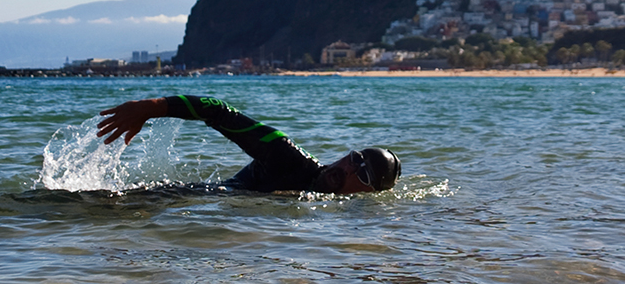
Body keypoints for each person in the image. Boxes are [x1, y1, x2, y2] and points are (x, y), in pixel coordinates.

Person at [96, 95, 401, 194]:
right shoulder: (288, 157)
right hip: (187, 201)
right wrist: (149, 108)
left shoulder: (342, 216)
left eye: (363, 174)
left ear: (368, 193)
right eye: (355, 158)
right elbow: (219, 111)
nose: (349, 168)